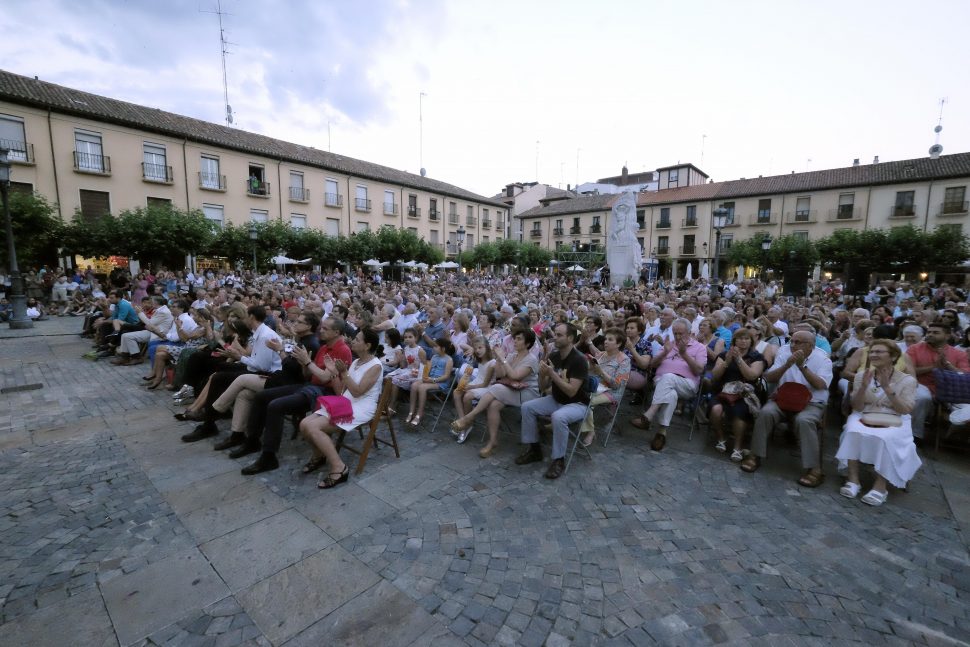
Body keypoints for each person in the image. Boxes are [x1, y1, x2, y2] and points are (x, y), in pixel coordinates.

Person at [740, 331, 833, 487]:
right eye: (792, 341)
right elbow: (768, 377)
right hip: (784, 399)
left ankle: (814, 469)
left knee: (805, 420)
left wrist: (802, 366)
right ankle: (755, 455)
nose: (793, 345)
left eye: (798, 342)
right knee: (765, 413)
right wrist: (787, 365)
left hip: (811, 402)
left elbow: (821, 385)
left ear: (810, 345)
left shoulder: (823, 360)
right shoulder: (784, 354)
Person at [836, 339, 921, 506]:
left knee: (887, 437)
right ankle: (853, 480)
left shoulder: (907, 380)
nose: (873, 355)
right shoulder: (862, 375)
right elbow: (857, 406)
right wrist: (862, 387)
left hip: (896, 417)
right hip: (865, 413)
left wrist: (888, 389)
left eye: (879, 352)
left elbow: (905, 409)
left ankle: (881, 486)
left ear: (893, 356)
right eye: (872, 352)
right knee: (852, 429)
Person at [298, 328, 385, 489]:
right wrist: (333, 374)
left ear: (367, 345)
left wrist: (344, 373)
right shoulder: (356, 362)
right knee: (304, 424)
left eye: (358, 340)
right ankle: (319, 455)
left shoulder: (376, 366)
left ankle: (339, 467)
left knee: (314, 428)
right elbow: (341, 392)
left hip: (362, 406)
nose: (353, 341)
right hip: (346, 401)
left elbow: (358, 392)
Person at [451, 328, 540, 458]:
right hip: (512, 390)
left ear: (527, 344)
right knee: (493, 405)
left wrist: (503, 359)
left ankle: (468, 418)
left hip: (528, 393)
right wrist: (498, 359)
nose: (515, 340)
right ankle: (493, 442)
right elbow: (501, 374)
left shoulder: (531, 359)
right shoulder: (512, 355)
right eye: (515, 338)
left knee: (497, 387)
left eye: (519, 339)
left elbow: (515, 376)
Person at [516, 323, 590, 479]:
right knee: (527, 407)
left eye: (559, 335)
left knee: (559, 417)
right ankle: (534, 449)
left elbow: (571, 391)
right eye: (555, 334)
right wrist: (542, 375)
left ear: (570, 338)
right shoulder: (554, 356)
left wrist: (552, 374)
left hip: (577, 404)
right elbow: (543, 387)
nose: (554, 337)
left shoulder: (579, 360)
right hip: (556, 399)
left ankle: (558, 459)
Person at [631, 319, 706, 451]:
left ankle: (649, 414)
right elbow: (652, 365)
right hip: (662, 382)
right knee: (671, 394)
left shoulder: (700, 348)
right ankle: (661, 432)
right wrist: (665, 353)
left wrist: (684, 354)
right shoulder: (668, 345)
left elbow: (698, 370)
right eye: (675, 333)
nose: (677, 337)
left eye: (681, 334)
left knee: (669, 377)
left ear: (689, 332)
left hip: (687, 384)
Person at [708, 327, 765, 461]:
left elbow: (751, 376)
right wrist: (727, 362)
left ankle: (738, 446)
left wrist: (738, 359)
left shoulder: (757, 357)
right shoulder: (724, 355)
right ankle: (721, 438)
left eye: (746, 339)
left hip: (744, 394)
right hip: (724, 392)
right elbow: (714, 376)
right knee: (716, 409)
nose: (743, 341)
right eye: (740, 338)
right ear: (734, 341)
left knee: (739, 412)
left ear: (751, 341)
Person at [906, 322, 970, 441]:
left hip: (951, 391)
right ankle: (916, 434)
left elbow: (965, 375)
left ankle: (955, 433)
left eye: (935, 333)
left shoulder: (958, 353)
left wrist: (948, 365)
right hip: (921, 385)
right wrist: (934, 367)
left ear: (947, 336)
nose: (930, 335)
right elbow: (909, 371)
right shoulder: (915, 348)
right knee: (922, 397)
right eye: (929, 332)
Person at [578, 328, 630, 447]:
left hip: (611, 391)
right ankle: (586, 427)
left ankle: (590, 432)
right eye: (606, 339)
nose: (606, 341)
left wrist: (600, 372)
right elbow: (591, 374)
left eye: (610, 339)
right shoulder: (600, 355)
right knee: (577, 394)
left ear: (619, 343)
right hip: (594, 387)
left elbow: (616, 385)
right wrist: (590, 367)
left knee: (585, 400)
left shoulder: (624, 360)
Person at [406, 337, 455, 428]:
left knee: (422, 387)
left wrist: (433, 380)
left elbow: (446, 376)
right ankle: (411, 411)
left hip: (440, 382)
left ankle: (420, 413)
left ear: (443, 349)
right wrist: (425, 377)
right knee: (414, 385)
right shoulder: (434, 357)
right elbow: (429, 369)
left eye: (436, 346)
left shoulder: (449, 360)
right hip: (430, 379)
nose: (433, 348)